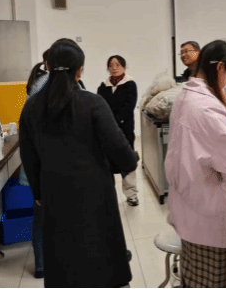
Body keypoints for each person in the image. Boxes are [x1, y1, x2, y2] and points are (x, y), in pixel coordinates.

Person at [19, 39, 139, 288]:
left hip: (54, 194)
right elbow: (119, 147)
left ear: (48, 67)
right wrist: (130, 161)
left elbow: (28, 156)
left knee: (63, 259)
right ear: (79, 71)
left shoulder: (31, 107)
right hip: (96, 194)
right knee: (102, 256)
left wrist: (39, 193)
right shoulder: (92, 102)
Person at [165, 40, 226, 289]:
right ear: (219, 68)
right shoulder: (206, 108)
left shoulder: (186, 96)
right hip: (209, 214)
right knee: (214, 282)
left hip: (191, 206)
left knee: (194, 278)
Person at [19, 49, 50, 279]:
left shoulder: (37, 83)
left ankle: (41, 264)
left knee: (39, 216)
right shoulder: (47, 85)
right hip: (47, 165)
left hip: (37, 165)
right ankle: (46, 263)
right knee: (45, 217)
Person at [97, 55, 140, 207]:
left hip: (125, 130)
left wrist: (114, 122)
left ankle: (131, 195)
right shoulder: (103, 86)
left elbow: (129, 106)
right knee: (107, 163)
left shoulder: (130, 84)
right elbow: (99, 106)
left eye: (118, 64)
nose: (114, 67)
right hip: (106, 131)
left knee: (127, 161)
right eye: (111, 65)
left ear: (124, 66)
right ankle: (108, 196)